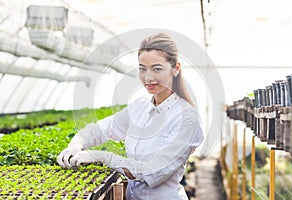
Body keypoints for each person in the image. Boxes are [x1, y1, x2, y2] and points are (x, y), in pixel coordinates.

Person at [57, 33, 204, 200]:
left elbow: (153, 173)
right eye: (142, 68)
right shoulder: (140, 106)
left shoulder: (187, 119)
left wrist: (103, 157)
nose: (148, 77)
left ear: (176, 69)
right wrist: (77, 143)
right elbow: (101, 130)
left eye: (157, 69)